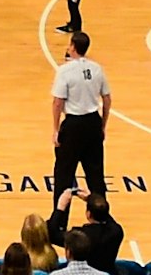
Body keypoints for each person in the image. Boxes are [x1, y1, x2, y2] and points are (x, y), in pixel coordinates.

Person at [48, 42, 112, 210]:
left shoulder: (65, 71)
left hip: (73, 125)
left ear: (73, 47)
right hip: (93, 122)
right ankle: (102, 217)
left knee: (64, 174)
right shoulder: (97, 68)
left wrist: (55, 130)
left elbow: (57, 102)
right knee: (96, 175)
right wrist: (103, 125)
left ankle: (60, 220)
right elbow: (106, 99)